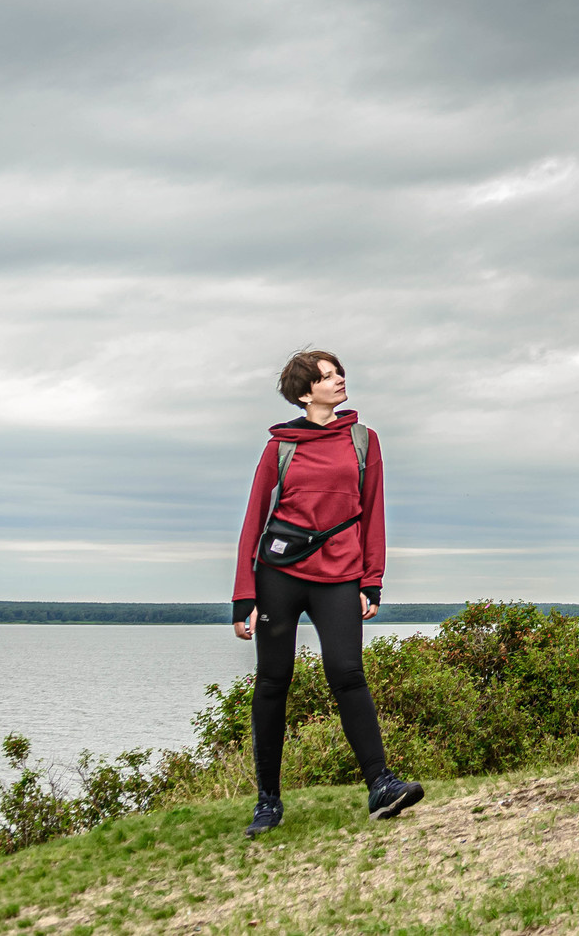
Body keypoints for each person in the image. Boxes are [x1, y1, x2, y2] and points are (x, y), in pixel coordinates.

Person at [230, 348, 425, 836]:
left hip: (339, 574)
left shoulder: (363, 440)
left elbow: (373, 509)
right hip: (278, 573)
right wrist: (243, 595)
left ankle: (380, 783)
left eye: (339, 373)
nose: (338, 381)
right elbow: (254, 519)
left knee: (347, 673)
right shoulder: (280, 447)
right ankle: (268, 801)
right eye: (326, 376)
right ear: (304, 393)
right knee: (274, 681)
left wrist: (372, 578)